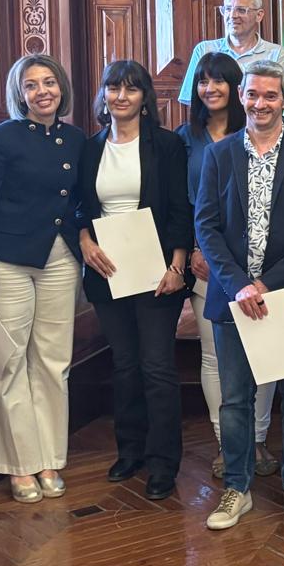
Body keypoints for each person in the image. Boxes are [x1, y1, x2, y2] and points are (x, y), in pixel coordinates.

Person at [195, 62, 284, 529]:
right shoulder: (219, 155)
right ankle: (237, 488)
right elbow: (206, 227)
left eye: (270, 96)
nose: (260, 104)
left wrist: (267, 285)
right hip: (233, 298)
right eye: (253, 94)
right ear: (240, 95)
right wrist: (240, 284)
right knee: (235, 400)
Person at [0, 54, 84, 503]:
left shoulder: (75, 139)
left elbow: (78, 204)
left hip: (59, 260)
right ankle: (19, 465)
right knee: (8, 362)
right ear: (20, 93)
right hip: (7, 263)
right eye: (31, 85)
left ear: (61, 88)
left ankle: (50, 457)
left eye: (49, 82)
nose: (43, 91)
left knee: (53, 363)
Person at [76, 59, 191, 500]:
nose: (121, 96)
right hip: (108, 271)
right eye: (113, 87)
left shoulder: (166, 145)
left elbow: (181, 208)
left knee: (158, 367)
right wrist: (84, 240)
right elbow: (79, 208)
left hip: (157, 270)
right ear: (103, 95)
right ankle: (131, 451)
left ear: (145, 98)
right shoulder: (89, 149)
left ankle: (164, 462)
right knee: (124, 366)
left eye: (131, 88)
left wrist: (176, 266)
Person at [175, 53, 276, 480]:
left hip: (260, 270)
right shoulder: (185, 137)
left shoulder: (256, 130)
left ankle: (256, 439)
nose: (210, 88)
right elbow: (180, 203)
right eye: (203, 81)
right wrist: (192, 250)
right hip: (207, 264)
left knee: (265, 355)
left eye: (219, 80)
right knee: (215, 357)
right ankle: (227, 443)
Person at [178, 0, 284, 103]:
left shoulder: (276, 54)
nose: (233, 15)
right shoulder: (204, 50)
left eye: (241, 10)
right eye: (228, 9)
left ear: (259, 15)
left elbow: (279, 101)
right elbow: (192, 100)